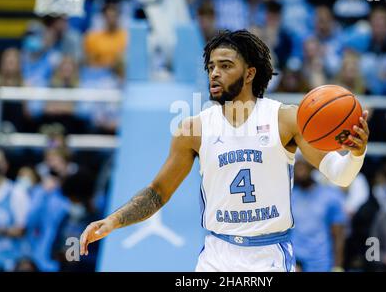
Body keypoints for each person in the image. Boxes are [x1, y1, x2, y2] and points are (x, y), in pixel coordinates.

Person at [80, 30, 369, 272]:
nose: (215, 73)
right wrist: (113, 221)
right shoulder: (193, 129)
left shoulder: (285, 119)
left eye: (226, 66)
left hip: (268, 255)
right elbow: (157, 193)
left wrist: (356, 153)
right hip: (216, 255)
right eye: (211, 67)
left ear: (249, 73)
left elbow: (339, 176)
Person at [291, 156, 347, 272]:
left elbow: (339, 235)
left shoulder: (330, 196)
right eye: (297, 165)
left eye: (303, 164)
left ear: (312, 167)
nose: (300, 167)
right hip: (294, 262)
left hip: (321, 263)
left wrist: (337, 266)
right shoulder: (288, 196)